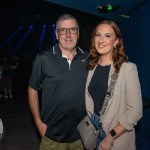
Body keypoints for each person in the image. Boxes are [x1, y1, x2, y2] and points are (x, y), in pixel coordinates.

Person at [28, 14, 88, 150]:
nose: (68, 34)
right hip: (51, 136)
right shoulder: (43, 58)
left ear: (78, 33)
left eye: (72, 29)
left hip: (81, 136)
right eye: (63, 30)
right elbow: (32, 90)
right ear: (56, 34)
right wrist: (38, 122)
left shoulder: (88, 58)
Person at [85, 20, 143, 150]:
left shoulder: (127, 68)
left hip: (114, 133)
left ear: (116, 42)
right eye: (98, 35)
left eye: (107, 36)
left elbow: (135, 111)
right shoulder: (91, 67)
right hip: (92, 129)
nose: (101, 40)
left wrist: (109, 136)